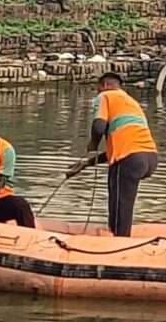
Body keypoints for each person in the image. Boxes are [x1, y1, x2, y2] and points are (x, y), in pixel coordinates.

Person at [65, 72, 160, 239]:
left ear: (105, 85)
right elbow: (118, 149)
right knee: (121, 196)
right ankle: (117, 232)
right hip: (149, 158)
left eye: (97, 88)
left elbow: (98, 126)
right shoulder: (131, 102)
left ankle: (120, 242)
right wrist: (86, 164)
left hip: (130, 158)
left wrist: (93, 143)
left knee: (120, 202)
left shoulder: (106, 96)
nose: (97, 92)